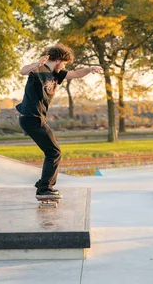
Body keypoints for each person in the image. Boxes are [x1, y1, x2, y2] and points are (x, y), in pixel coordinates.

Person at [16, 44, 102, 196]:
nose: (63, 67)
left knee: (53, 151)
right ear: (58, 60)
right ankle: (45, 188)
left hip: (36, 118)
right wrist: (36, 63)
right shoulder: (39, 70)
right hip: (31, 117)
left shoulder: (56, 74)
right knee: (54, 152)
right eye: (63, 63)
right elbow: (23, 71)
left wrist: (89, 69)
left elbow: (75, 74)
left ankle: (44, 183)